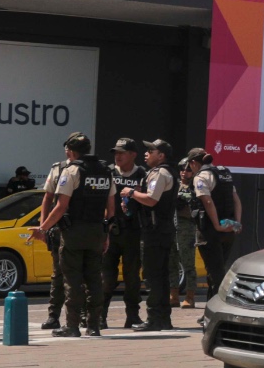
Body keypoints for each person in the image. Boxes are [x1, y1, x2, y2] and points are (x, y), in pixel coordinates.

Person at [28, 133, 115, 337]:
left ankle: (72, 326)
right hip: (96, 232)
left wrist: (43, 228)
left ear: (71, 151)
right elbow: (111, 209)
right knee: (94, 279)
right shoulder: (105, 171)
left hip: (74, 232)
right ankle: (93, 326)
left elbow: (61, 206)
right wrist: (106, 234)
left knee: (72, 280)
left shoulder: (72, 170)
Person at [120, 140, 177, 331]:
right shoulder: (166, 172)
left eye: (151, 150)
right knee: (161, 275)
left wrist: (131, 193)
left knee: (152, 276)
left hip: (155, 232)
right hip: (162, 230)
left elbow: (152, 200)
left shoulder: (160, 173)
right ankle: (163, 318)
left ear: (161, 156)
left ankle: (154, 319)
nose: (146, 153)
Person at [101, 138, 147, 330]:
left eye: (122, 152)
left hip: (132, 232)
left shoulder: (142, 174)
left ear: (133, 154)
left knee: (132, 277)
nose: (117, 156)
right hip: (110, 231)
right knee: (106, 277)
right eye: (116, 153)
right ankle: (100, 316)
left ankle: (133, 316)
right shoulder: (108, 172)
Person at [186, 148, 242, 309]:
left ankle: (218, 309)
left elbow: (207, 202)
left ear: (193, 163)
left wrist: (217, 225)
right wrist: (237, 223)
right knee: (218, 270)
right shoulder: (223, 174)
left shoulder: (201, 177)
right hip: (229, 230)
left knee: (215, 273)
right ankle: (212, 309)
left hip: (211, 231)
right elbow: (236, 200)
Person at [36, 155, 67, 330]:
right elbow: (48, 198)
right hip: (60, 230)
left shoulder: (93, 171)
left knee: (83, 276)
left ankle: (85, 317)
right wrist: (44, 227)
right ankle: (53, 316)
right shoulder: (58, 169)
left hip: (82, 231)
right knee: (58, 276)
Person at [173, 159, 199, 308]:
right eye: (182, 169)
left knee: (188, 262)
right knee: (172, 261)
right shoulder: (174, 184)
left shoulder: (196, 185)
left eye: (188, 169)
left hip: (188, 226)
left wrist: (186, 198)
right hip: (173, 224)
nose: (184, 172)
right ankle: (173, 294)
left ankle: (190, 296)